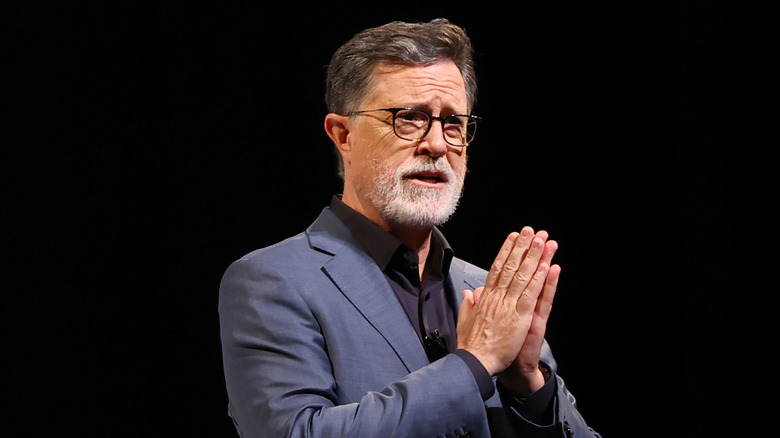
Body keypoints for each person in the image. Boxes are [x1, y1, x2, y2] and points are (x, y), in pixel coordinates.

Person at [219, 18, 600, 438]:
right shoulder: (271, 281)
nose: (437, 144)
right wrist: (474, 364)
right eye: (410, 117)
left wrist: (529, 384)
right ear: (343, 135)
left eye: (453, 122)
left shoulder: (488, 292)